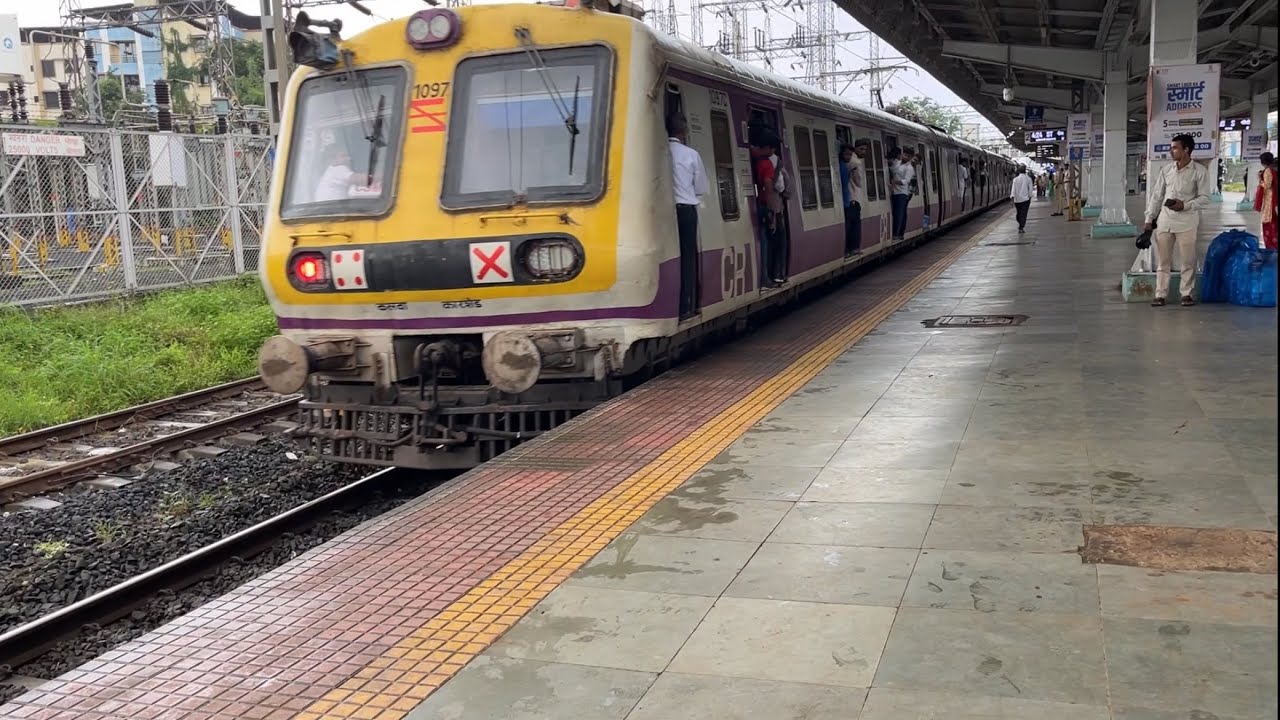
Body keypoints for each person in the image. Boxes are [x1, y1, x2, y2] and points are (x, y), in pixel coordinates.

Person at [1143, 133, 1210, 307]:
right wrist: (1149, 218)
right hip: (1165, 222)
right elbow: (1157, 196)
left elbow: (1205, 198)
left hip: (1187, 223)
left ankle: (1186, 294)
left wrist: (1185, 205)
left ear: (1186, 149)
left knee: (1188, 261)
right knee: (1163, 261)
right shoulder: (1166, 170)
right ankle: (1160, 294)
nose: (1171, 151)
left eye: (1175, 148)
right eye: (1171, 148)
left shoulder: (1199, 171)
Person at [667, 114, 709, 319]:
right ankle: (686, 305)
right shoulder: (691, 154)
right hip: (686, 210)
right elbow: (700, 188)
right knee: (688, 257)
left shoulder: (659, 153)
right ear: (683, 131)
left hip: (663, 211)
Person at [750, 129, 787, 287]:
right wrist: (772, 212)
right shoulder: (767, 164)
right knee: (768, 240)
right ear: (769, 148)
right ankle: (767, 276)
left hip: (758, 202)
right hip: (766, 205)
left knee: (764, 239)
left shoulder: (754, 157)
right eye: (773, 148)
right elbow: (770, 187)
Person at [840, 141, 868, 256]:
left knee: (850, 224)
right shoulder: (855, 162)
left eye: (865, 149)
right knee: (854, 224)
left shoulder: (846, 162)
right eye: (861, 149)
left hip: (849, 198)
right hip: (853, 198)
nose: (863, 152)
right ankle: (853, 248)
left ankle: (849, 249)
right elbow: (859, 182)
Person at [889, 147, 915, 241]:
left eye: (908, 156)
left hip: (902, 193)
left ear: (911, 157)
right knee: (895, 212)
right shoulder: (897, 163)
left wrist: (895, 182)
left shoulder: (909, 168)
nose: (905, 157)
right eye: (904, 155)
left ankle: (897, 234)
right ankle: (896, 233)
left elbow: (906, 181)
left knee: (899, 214)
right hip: (894, 191)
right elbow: (892, 170)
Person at [1256, 152, 1278, 250]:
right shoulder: (1273, 170)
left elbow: (1267, 186)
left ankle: (1271, 247)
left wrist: (1260, 180)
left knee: (1268, 223)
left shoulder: (1268, 170)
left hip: (1270, 200)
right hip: (1272, 199)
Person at [1010, 166, 1034, 233]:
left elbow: (1013, 189)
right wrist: (1030, 196)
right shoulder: (1029, 179)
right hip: (1026, 200)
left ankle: (1020, 225)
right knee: (1024, 214)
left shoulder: (1015, 179)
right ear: (1025, 171)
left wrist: (1012, 196)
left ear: (1019, 171)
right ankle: (1021, 226)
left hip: (1017, 200)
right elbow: (1030, 189)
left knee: (1019, 213)